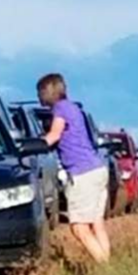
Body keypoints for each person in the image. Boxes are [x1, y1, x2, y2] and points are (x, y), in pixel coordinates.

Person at [37, 73, 111, 263]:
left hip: (82, 172)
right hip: (97, 168)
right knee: (97, 224)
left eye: (40, 92)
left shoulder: (60, 109)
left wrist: (31, 145)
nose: (39, 97)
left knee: (79, 227)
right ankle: (108, 263)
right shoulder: (73, 108)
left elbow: (54, 135)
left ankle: (103, 265)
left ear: (48, 92)